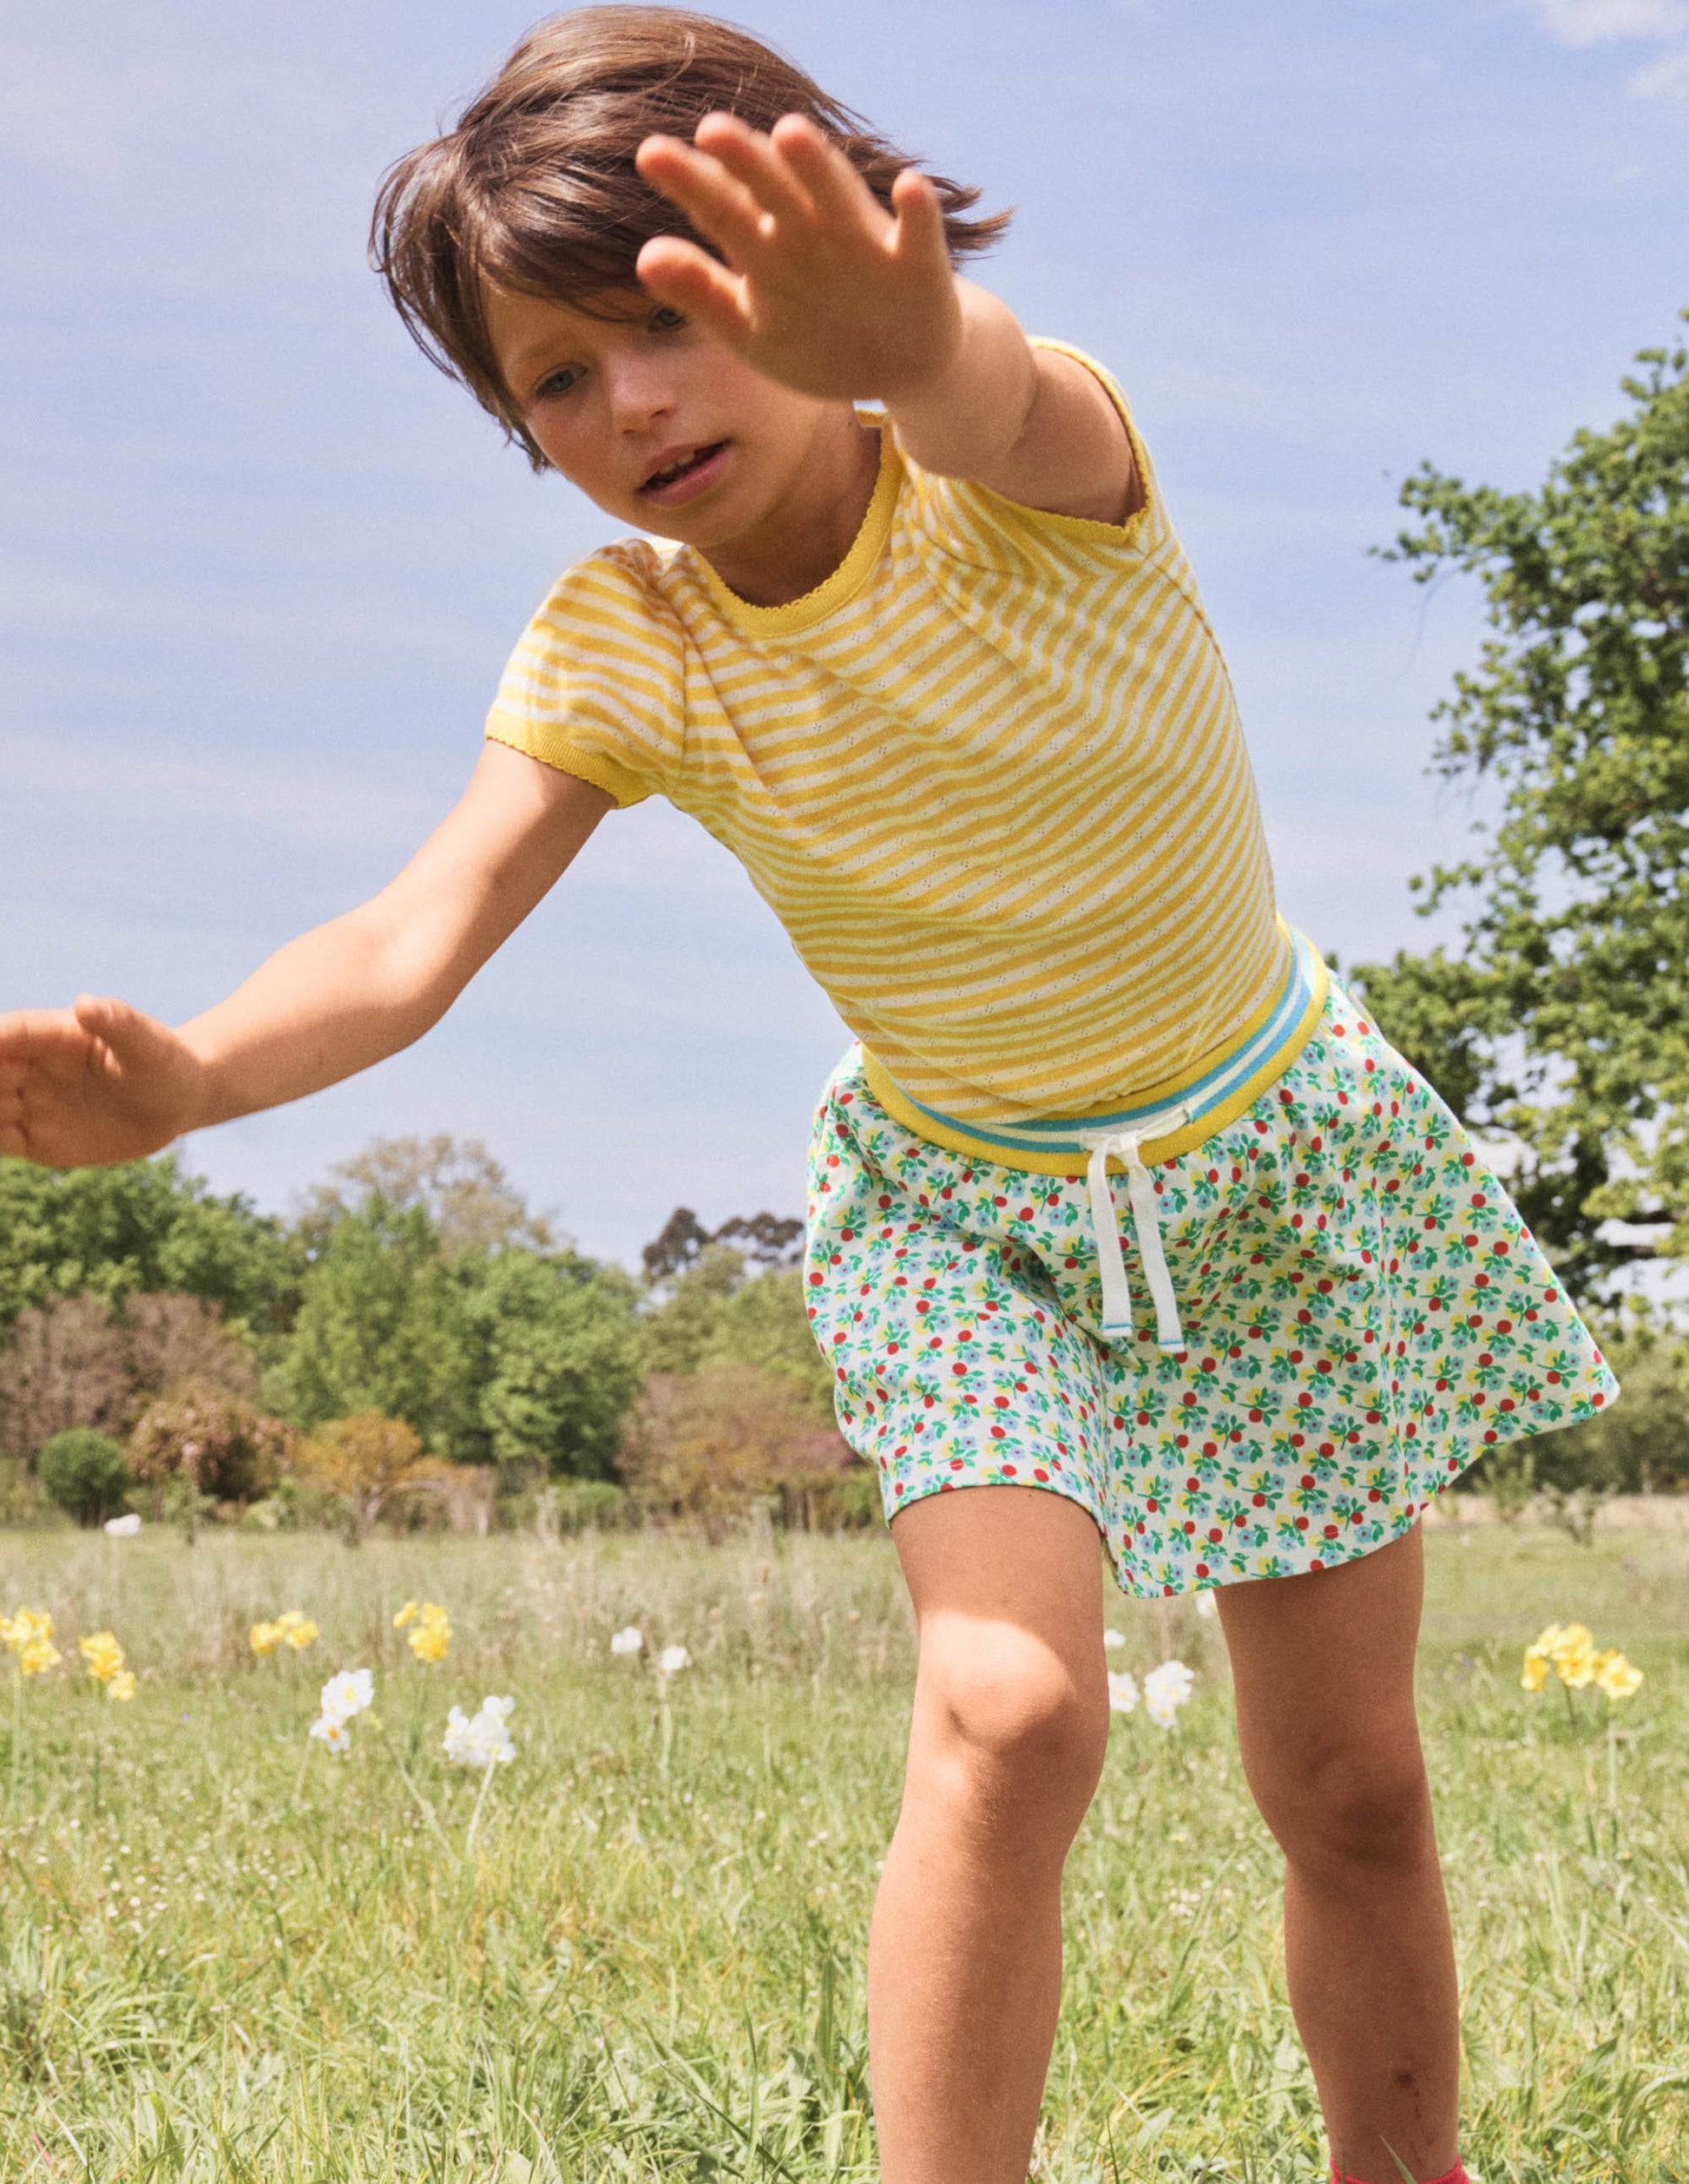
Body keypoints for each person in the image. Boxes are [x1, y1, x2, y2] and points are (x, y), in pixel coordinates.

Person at [0, 10, 1613, 2181]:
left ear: (823, 266)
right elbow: (407, 939)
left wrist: (921, 332)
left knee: (1347, 1785)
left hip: (1269, 1172)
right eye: (553, 380)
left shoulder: (1023, 475)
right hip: (964, 1210)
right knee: (1008, 1707)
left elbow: (989, 387)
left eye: (664, 317)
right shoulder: (626, 646)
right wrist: (188, 1076)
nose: (625, 403)